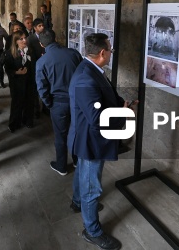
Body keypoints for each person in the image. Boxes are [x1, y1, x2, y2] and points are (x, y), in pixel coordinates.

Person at [68, 33, 131, 250]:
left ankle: (77, 203)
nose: (111, 53)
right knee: (91, 187)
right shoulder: (86, 76)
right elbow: (96, 119)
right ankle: (92, 231)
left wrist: (122, 104)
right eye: (110, 50)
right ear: (102, 53)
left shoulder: (92, 70)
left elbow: (104, 97)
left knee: (83, 174)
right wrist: (121, 114)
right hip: (91, 141)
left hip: (89, 138)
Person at [35, 29, 82, 175]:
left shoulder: (42, 61)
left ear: (41, 44)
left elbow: (41, 88)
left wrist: (49, 104)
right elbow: (82, 74)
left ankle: (61, 166)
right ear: (55, 38)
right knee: (76, 131)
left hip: (58, 103)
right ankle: (76, 160)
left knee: (60, 135)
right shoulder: (73, 53)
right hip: (76, 101)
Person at [4, 31, 36, 132]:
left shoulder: (30, 51)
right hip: (17, 83)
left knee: (29, 101)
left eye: (25, 38)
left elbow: (33, 65)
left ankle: (28, 120)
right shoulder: (10, 53)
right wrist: (16, 72)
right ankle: (14, 123)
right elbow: (7, 68)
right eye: (21, 39)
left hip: (29, 81)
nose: (24, 40)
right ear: (16, 41)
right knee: (17, 103)